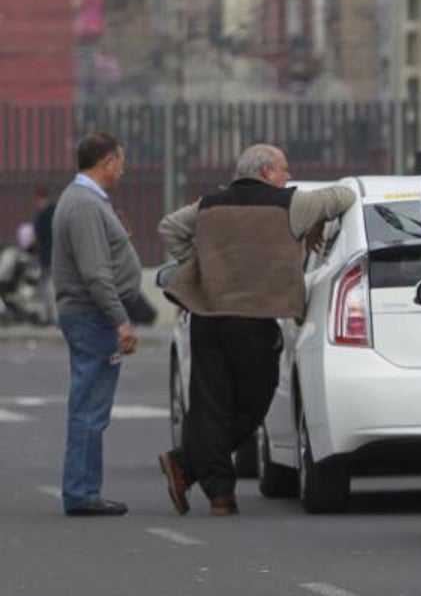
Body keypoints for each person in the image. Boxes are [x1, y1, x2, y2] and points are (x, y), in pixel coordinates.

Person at [156, 144, 355, 516]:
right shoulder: (288, 205)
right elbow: (344, 196)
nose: (288, 177)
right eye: (283, 170)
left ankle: (216, 492)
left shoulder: (209, 205)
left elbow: (169, 227)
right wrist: (312, 224)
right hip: (253, 321)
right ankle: (189, 466)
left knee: (211, 405)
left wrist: (199, 264)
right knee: (255, 402)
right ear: (266, 172)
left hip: (207, 318)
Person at [51, 132, 142, 517]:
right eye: (121, 160)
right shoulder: (86, 204)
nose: (124, 168)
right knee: (90, 406)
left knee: (88, 403)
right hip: (92, 316)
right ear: (106, 162)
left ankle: (83, 488)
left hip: (88, 313)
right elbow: (95, 273)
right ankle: (82, 492)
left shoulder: (84, 201)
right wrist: (120, 321)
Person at [32, 189, 56, 323]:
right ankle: (53, 316)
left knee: (47, 287)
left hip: (46, 255)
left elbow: (36, 238)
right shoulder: (56, 211)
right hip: (58, 255)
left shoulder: (42, 215)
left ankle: (49, 316)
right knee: (53, 286)